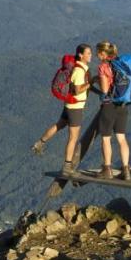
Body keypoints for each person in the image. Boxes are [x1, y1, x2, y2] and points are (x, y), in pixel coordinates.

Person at [31, 43, 92, 174]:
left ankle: (40, 143)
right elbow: (77, 90)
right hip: (75, 107)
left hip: (69, 105)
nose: (90, 55)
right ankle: (67, 166)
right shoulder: (79, 70)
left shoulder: (78, 68)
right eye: (88, 53)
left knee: (59, 124)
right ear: (81, 55)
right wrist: (90, 83)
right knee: (73, 138)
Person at [93, 41, 131, 180]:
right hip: (122, 105)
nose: (97, 55)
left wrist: (97, 81)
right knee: (121, 138)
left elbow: (104, 90)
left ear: (103, 53)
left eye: (98, 52)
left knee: (106, 138)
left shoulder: (103, 66)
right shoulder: (120, 64)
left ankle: (107, 169)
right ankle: (126, 170)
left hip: (109, 106)